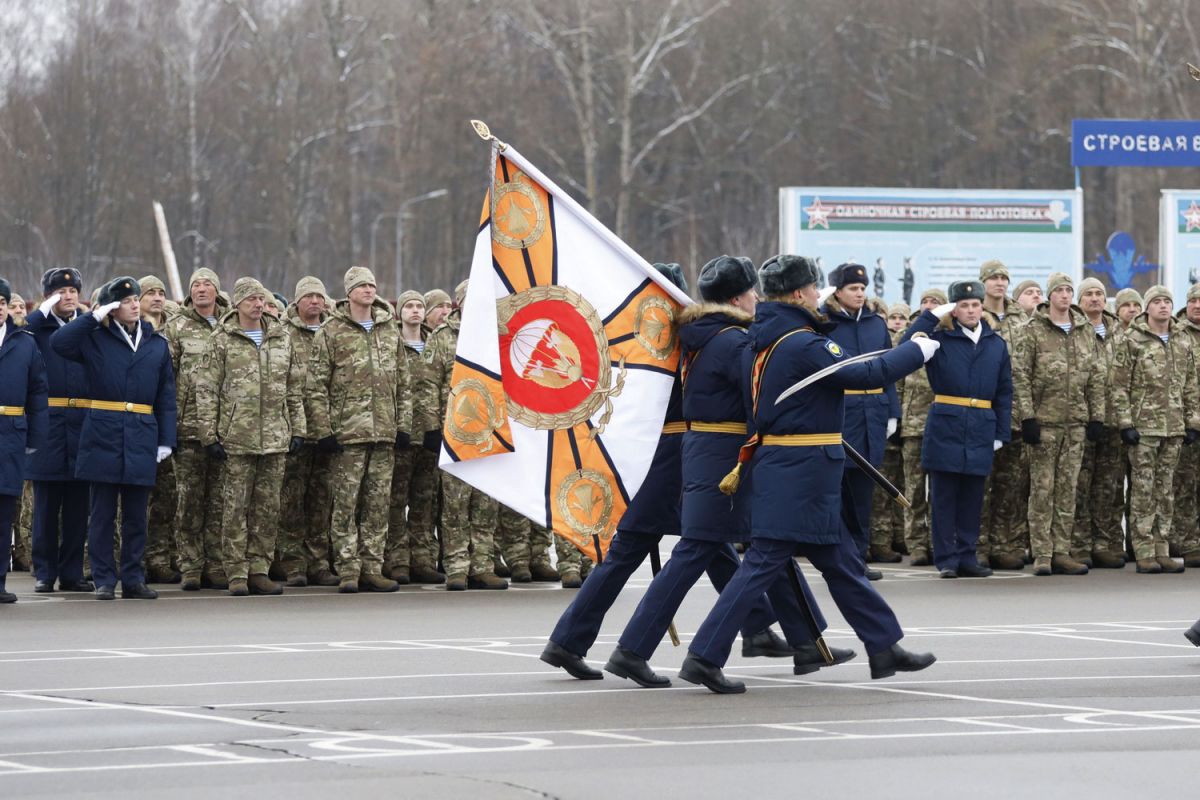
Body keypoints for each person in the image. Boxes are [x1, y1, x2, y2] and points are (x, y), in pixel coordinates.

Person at [678, 254, 938, 694]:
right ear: (799, 293)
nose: (819, 295)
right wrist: (919, 348)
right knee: (760, 566)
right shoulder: (799, 341)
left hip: (801, 472)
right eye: (815, 288)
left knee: (842, 563)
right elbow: (868, 373)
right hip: (798, 474)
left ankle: (883, 645)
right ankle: (703, 655)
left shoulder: (773, 336)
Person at [604, 256, 849, 689]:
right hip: (728, 460)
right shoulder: (734, 341)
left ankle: (805, 639)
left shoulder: (706, 336)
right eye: (753, 293)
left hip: (711, 453)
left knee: (762, 545)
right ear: (738, 298)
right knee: (712, 552)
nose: (757, 299)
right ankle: (634, 649)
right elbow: (759, 398)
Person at [51, 277, 176, 600]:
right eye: (125, 300)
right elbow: (59, 344)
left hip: (140, 433)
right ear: (111, 308)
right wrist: (92, 317)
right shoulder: (95, 339)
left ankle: (133, 578)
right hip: (103, 431)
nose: (135, 304)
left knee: (136, 515)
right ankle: (105, 578)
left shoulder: (155, 343)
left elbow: (166, 396)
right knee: (103, 513)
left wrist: (166, 439)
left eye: (136, 299)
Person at [196, 277, 306, 596]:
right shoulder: (222, 339)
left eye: (261, 300)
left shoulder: (281, 338)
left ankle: (259, 568)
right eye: (251, 300)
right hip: (237, 437)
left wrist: (298, 428)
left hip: (274, 436)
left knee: (268, 507)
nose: (258, 305)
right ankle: (236, 571)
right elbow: (207, 388)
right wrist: (209, 433)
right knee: (235, 506)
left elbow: (295, 388)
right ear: (238, 304)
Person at [305, 266, 409, 593]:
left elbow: (405, 383)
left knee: (378, 504)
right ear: (349, 292)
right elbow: (316, 385)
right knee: (346, 504)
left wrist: (402, 426)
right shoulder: (331, 331)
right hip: (347, 433)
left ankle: (372, 566)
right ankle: (348, 567)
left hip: (384, 432)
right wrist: (324, 430)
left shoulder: (389, 330)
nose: (368, 289)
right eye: (361, 285)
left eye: (372, 284)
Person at [902, 281, 1012, 578]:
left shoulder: (995, 343)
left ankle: (967, 556)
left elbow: (1004, 391)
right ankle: (946, 558)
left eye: (975, 304)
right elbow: (906, 344)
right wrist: (933, 315)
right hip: (947, 423)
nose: (971, 310)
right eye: (963, 305)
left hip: (981, 425)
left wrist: (1001, 433)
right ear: (954, 310)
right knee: (944, 496)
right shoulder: (940, 340)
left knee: (973, 497)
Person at [1012, 272, 1104, 576]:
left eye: (1068, 290)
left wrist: (1096, 416)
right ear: (1050, 296)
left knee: (1068, 488)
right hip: (1045, 421)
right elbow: (1021, 376)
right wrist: (1027, 416)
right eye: (1059, 291)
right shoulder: (1032, 330)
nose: (1064, 295)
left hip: (1075, 422)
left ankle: (1062, 550)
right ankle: (1041, 552)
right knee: (1042, 488)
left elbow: (1095, 375)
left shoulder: (1084, 331)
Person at [422, 280, 506, 591]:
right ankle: (457, 565)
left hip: (491, 431)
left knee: (485, 505)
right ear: (460, 303)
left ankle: (482, 565)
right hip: (455, 432)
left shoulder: (499, 337)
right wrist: (432, 427)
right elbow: (426, 385)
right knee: (455, 505)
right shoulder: (444, 338)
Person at [1110, 285, 1200, 573]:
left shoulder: (1182, 339)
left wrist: (1192, 422)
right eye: (1157, 302)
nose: (1162, 306)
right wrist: (1125, 422)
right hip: (1144, 428)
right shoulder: (1131, 339)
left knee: (1166, 490)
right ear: (1147, 307)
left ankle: (1162, 548)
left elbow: (1190, 386)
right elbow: (1119, 385)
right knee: (1143, 490)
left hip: (1173, 427)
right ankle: (1144, 550)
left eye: (1167, 301)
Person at [821, 262, 898, 580]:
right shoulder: (825, 323)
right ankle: (839, 558)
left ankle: (858, 557)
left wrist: (892, 411)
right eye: (853, 289)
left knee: (863, 494)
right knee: (837, 493)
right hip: (841, 414)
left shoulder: (875, 324)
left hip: (873, 415)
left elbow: (889, 368)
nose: (859, 294)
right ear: (837, 292)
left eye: (863, 289)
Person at [24, 268, 93, 593]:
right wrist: (42, 312)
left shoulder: (85, 327)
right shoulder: (38, 327)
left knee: (79, 506)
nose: (68, 297)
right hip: (49, 423)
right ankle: (44, 571)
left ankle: (71, 572)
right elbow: (22, 330)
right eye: (60, 292)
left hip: (81, 421)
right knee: (47, 506)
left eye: (72, 291)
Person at [166, 267, 229, 590]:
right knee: (189, 501)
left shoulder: (230, 325)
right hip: (188, 427)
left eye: (207, 284)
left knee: (219, 502)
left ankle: (216, 564)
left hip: (226, 429)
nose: (202, 289)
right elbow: (167, 379)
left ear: (217, 291)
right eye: (196, 285)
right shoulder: (176, 326)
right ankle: (190, 565)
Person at [276, 276, 338, 587]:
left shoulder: (334, 330)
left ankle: (319, 561)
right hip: (295, 430)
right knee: (291, 499)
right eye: (308, 296)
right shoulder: (283, 333)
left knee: (322, 499)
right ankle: (292, 562)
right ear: (297, 301)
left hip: (328, 430)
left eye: (319, 296)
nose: (315, 301)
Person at [384, 290, 445, 585]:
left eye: (420, 306)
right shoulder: (391, 342)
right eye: (409, 306)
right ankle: (397, 561)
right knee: (396, 501)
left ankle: (422, 559)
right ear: (400, 312)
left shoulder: (435, 342)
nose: (415, 311)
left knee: (424, 501)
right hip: (403, 433)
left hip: (430, 433)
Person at [978, 261, 1030, 571]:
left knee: (1011, 484)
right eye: (994, 278)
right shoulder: (975, 313)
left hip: (1016, 409)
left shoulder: (1020, 317)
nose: (999, 283)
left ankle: (1003, 543)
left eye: (1003, 278)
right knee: (981, 484)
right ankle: (978, 545)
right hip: (985, 409)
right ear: (983, 282)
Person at [0, 278, 48, 603]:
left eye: (1, 303)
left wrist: (35, 435)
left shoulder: (24, 343)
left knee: (4, 511)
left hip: (10, 433)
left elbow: (37, 390)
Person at [1072, 277, 1126, 569]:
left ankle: (1101, 543)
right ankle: (1078, 544)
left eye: (1099, 294)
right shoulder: (1076, 329)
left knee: (1108, 486)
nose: (1094, 299)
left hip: (1114, 419)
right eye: (1088, 294)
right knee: (1080, 484)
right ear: (1080, 301)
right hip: (1082, 417)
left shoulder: (1118, 329)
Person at [898, 290, 945, 566]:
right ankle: (916, 543)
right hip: (914, 422)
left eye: (935, 303)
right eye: (926, 303)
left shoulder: (949, 336)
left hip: (942, 422)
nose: (930, 307)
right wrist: (897, 418)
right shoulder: (907, 336)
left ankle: (937, 541)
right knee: (914, 487)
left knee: (939, 489)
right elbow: (897, 380)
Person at [138, 275, 179, 583]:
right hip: (138, 419)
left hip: (169, 420)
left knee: (166, 497)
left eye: (161, 292)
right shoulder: (132, 331)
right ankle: (134, 558)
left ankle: (159, 557)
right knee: (136, 499)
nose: (156, 297)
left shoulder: (176, 330)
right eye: (149, 293)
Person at [1173, 284, 1200, 567]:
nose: (1197, 305)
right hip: (1187, 422)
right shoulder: (1178, 335)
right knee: (1185, 487)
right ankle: (1189, 542)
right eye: (1193, 300)